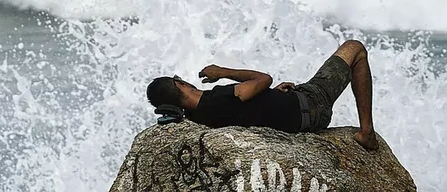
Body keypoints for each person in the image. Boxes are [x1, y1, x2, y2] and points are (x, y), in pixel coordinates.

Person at [145, 39, 378, 150]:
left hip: (296, 108)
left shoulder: (199, 117)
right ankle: (366, 132)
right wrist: (222, 71)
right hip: (311, 104)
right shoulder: (219, 97)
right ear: (180, 85)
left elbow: (246, 111)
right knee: (355, 49)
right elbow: (264, 79)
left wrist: (271, 96)